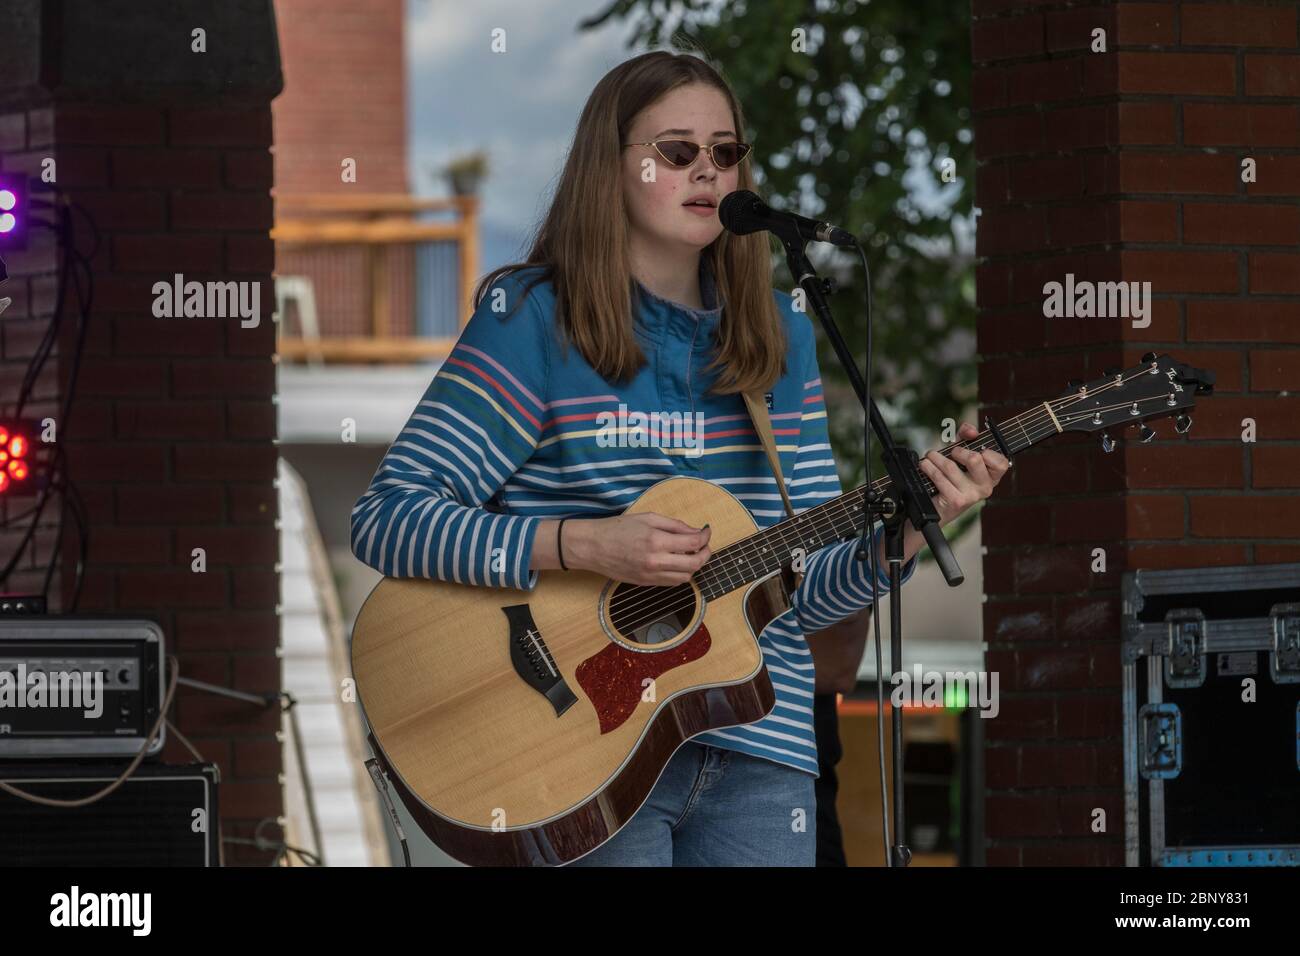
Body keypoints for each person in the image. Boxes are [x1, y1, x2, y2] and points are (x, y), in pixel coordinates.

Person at [349, 50, 1009, 866]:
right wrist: (582, 544)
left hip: (763, 750)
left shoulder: (778, 334)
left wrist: (905, 534)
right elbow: (387, 517)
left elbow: (797, 593)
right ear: (610, 166)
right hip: (582, 750)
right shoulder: (531, 319)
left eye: (725, 152)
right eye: (676, 151)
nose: (708, 170)